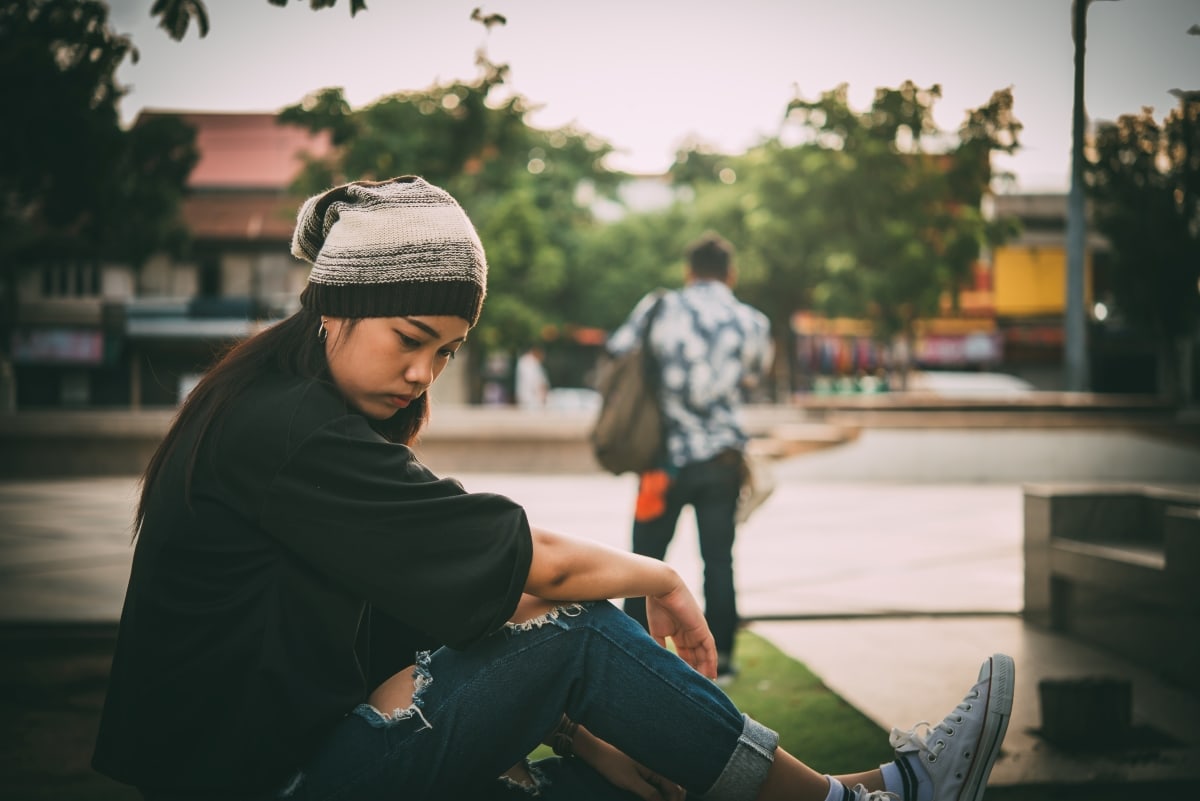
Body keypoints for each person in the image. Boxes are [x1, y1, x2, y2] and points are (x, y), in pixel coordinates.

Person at [92, 176, 1014, 801]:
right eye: (409, 337)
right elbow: (527, 564)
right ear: (338, 302)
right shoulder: (290, 431)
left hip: (277, 760)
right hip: (270, 779)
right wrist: (658, 577)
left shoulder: (279, 408)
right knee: (578, 627)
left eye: (445, 351)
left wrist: (591, 735)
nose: (423, 372)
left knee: (600, 777)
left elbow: (453, 599)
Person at [610, 232, 772, 683]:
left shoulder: (659, 307)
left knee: (643, 561)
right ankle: (720, 662)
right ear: (730, 274)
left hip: (662, 461)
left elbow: (619, 350)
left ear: (689, 271)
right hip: (723, 460)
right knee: (719, 560)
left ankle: (631, 652)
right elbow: (755, 376)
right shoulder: (752, 321)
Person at [515, 344, 550, 409]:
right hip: (531, 398)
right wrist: (542, 393)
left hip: (528, 397)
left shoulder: (527, 361)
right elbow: (535, 381)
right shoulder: (529, 362)